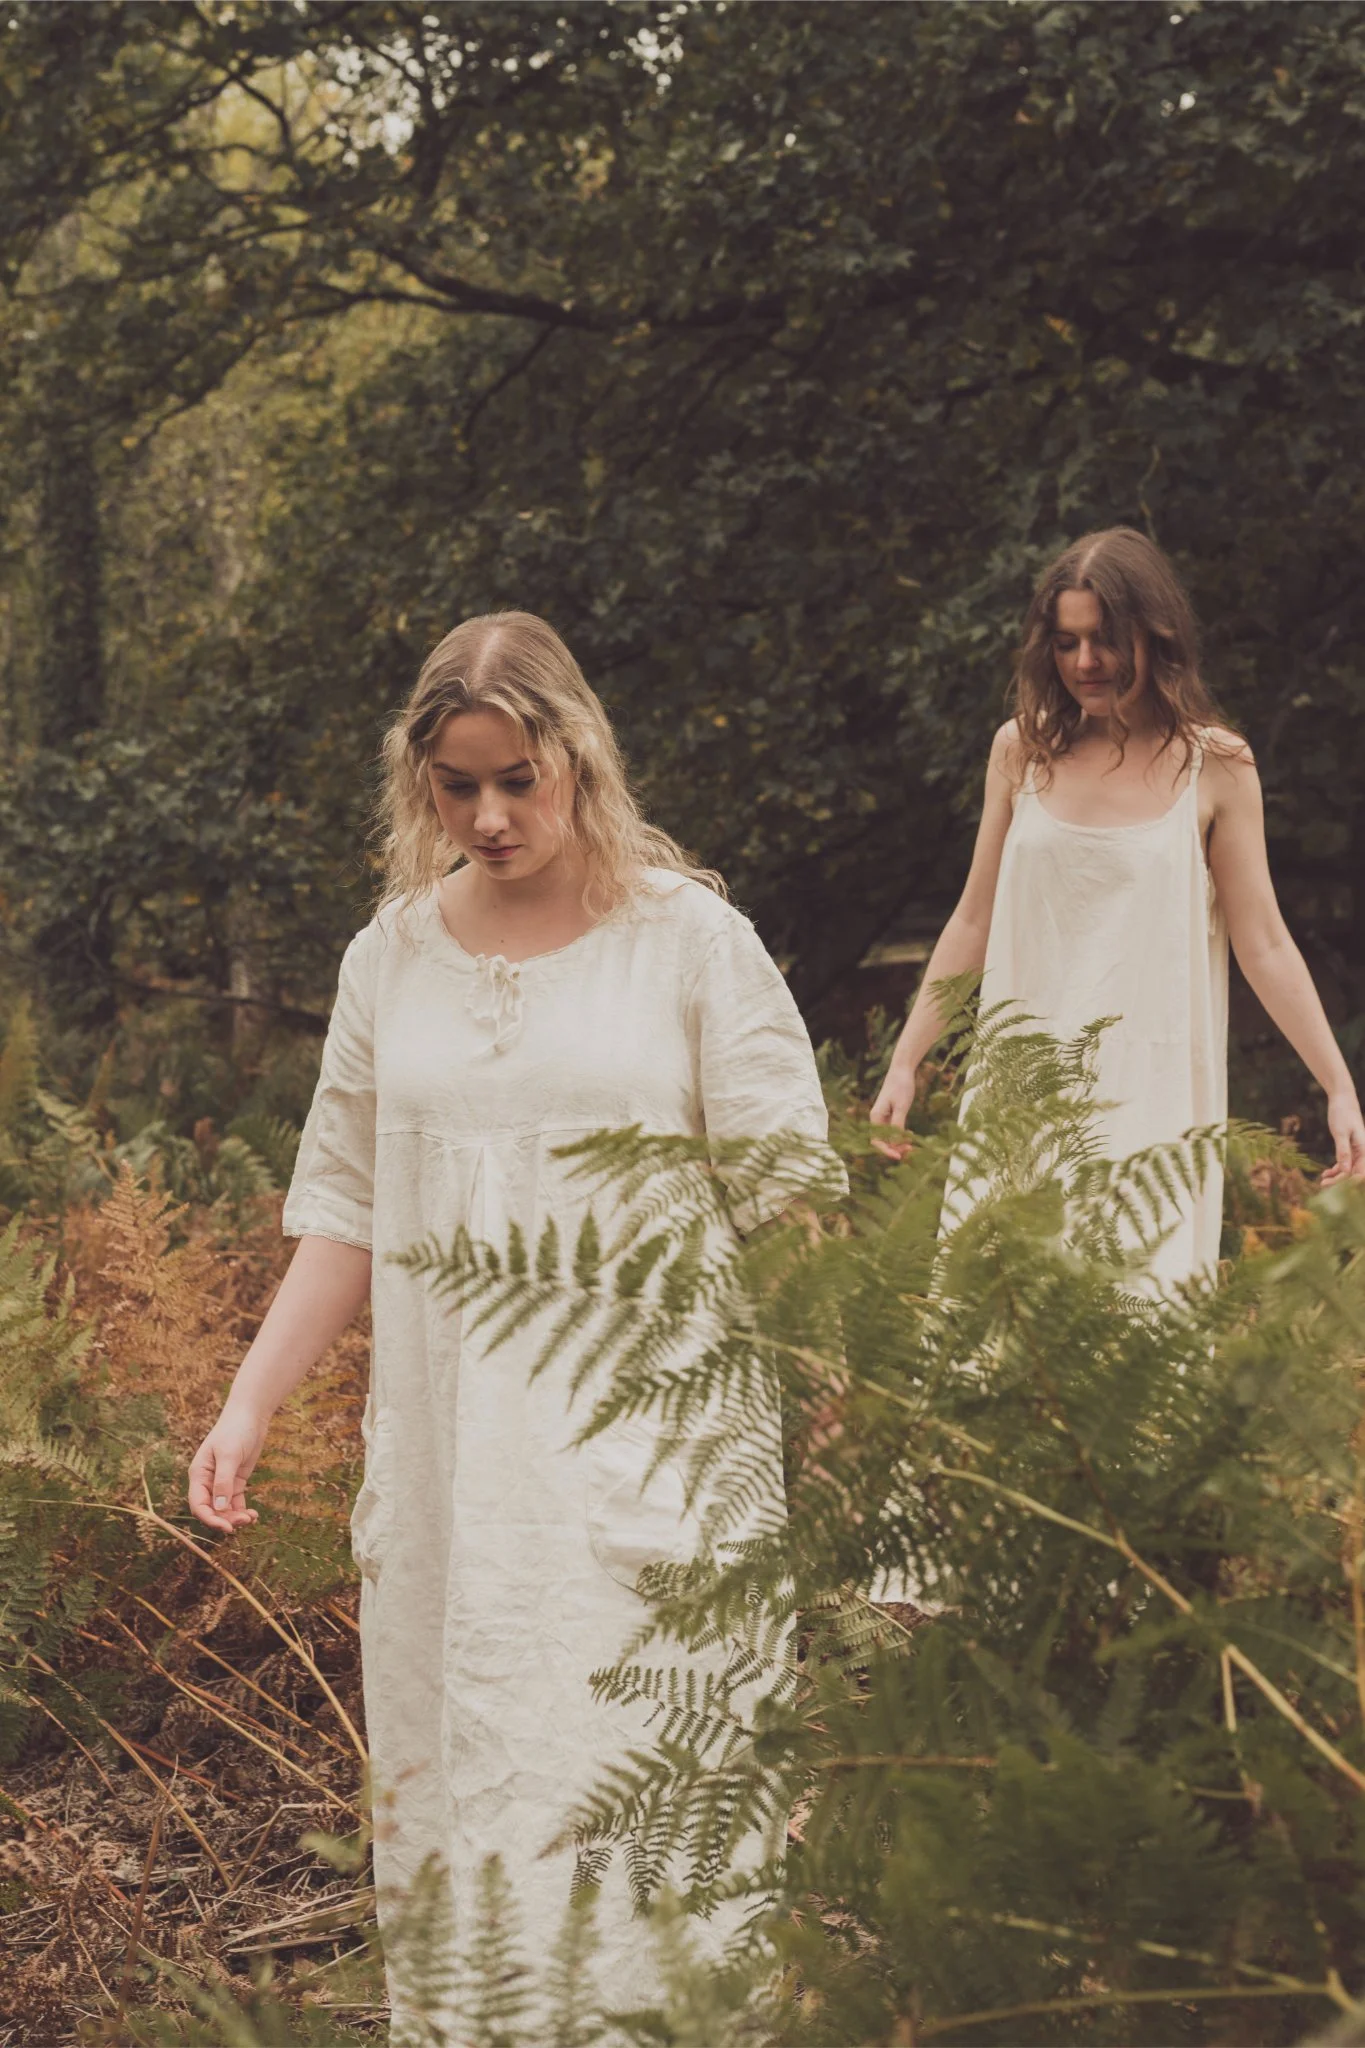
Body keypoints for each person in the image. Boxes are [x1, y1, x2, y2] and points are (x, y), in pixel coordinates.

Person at [188, 613, 832, 2019]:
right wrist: (248, 1401)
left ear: (577, 756)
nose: (487, 816)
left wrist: (847, 1401)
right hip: (455, 1477)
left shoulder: (689, 944)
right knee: (474, 1799)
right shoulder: (390, 958)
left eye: (516, 780)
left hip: (652, 1463)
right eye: (457, 785)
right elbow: (345, 1208)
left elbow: (791, 1206)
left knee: (651, 1803)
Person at [871, 528, 1365, 1283]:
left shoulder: (1216, 765)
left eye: (1104, 639)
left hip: (1152, 1099)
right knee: (999, 1318)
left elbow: (1263, 942)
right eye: (1065, 642)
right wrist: (907, 1061)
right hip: (1021, 1092)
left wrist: (1337, 1087)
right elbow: (973, 918)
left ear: (1154, 635)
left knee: (1138, 1318)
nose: (1084, 663)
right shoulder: (1020, 752)